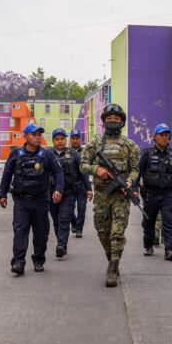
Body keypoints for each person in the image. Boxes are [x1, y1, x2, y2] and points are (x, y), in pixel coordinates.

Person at [80, 104, 140, 287]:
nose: (113, 120)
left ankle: (113, 267)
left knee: (117, 233)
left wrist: (129, 181)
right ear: (104, 121)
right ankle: (111, 257)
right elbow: (82, 165)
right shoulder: (95, 144)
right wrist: (96, 169)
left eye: (116, 118)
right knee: (103, 231)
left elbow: (135, 169)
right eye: (109, 118)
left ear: (122, 122)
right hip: (101, 195)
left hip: (121, 196)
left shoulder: (130, 146)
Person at [0, 123, 64, 275]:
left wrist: (58, 189)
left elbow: (58, 172)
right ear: (26, 137)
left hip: (41, 200)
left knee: (41, 233)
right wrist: (2, 194)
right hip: (21, 201)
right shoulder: (16, 154)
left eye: (39, 134)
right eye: (34, 134)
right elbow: (7, 174)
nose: (38, 137)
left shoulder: (47, 154)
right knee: (20, 231)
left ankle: (39, 260)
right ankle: (18, 262)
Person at [138, 123, 172, 260]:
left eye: (166, 135)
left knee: (168, 222)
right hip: (150, 194)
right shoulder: (147, 153)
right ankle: (148, 245)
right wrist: (134, 189)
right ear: (155, 137)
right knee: (149, 223)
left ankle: (169, 250)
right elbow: (138, 172)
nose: (164, 138)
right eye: (161, 135)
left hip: (168, 194)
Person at [49, 128, 92, 258]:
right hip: (52, 193)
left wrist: (89, 189)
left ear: (65, 140)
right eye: (57, 139)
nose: (60, 141)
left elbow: (82, 173)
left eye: (62, 139)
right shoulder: (48, 154)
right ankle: (61, 242)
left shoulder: (73, 154)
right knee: (56, 219)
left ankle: (61, 245)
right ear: (53, 141)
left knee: (64, 218)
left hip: (69, 192)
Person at [69, 129, 90, 238]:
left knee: (81, 208)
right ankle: (73, 224)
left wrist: (89, 188)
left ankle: (79, 229)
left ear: (80, 140)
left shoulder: (85, 152)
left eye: (77, 138)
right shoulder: (66, 152)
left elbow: (87, 170)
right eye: (73, 138)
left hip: (82, 184)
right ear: (70, 139)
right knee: (69, 208)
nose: (75, 140)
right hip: (70, 185)